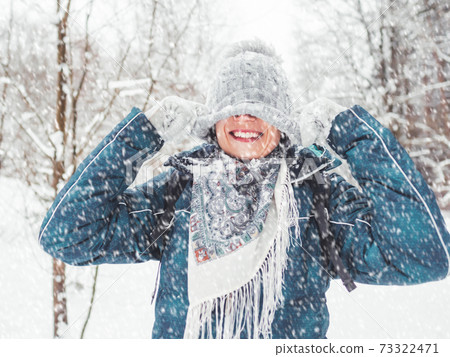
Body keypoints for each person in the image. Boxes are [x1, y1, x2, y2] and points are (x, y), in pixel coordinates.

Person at [39, 40, 450, 339]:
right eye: (233, 107)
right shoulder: (179, 190)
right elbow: (68, 234)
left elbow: (424, 254)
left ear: (283, 121)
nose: (246, 118)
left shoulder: (316, 193)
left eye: (261, 108)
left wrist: (353, 134)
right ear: (216, 121)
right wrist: (139, 135)